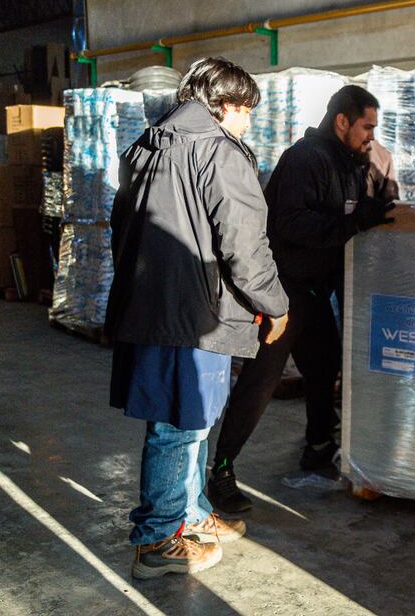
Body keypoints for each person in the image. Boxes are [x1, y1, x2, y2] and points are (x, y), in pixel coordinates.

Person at [106, 57, 290, 579]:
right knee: (177, 426)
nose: (248, 122)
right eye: (246, 110)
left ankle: (192, 516)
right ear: (225, 105)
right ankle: (158, 538)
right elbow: (245, 245)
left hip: (151, 307)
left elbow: (120, 227)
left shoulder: (146, 146)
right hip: (193, 315)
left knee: (190, 420)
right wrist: (274, 304)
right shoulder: (218, 153)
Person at [207, 85, 395, 513]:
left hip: (314, 290)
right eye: (366, 126)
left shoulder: (352, 162)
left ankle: (317, 446)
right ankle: (220, 469)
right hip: (283, 291)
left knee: (324, 365)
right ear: (342, 121)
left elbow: (357, 209)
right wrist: (352, 224)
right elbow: (290, 225)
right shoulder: (305, 158)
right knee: (261, 381)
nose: (371, 136)